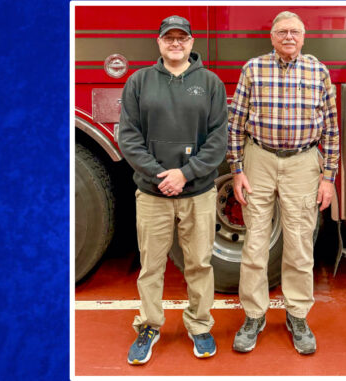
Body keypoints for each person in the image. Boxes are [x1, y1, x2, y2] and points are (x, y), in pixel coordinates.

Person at [227, 11, 339, 355]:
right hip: (258, 159)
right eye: (281, 32)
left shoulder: (319, 71)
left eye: (295, 31)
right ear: (272, 37)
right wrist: (237, 169)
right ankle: (254, 315)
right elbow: (236, 122)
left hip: (304, 163)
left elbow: (332, 128)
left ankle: (297, 314)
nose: (288, 36)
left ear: (304, 38)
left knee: (300, 244)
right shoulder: (253, 69)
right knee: (255, 243)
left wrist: (328, 177)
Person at [118, 15, 228, 364]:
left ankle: (199, 324)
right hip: (153, 194)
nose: (176, 43)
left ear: (192, 43)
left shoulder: (211, 83)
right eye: (169, 38)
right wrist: (159, 175)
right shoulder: (139, 82)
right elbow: (129, 137)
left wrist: (185, 174)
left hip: (198, 194)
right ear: (159, 42)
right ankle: (149, 325)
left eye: (182, 38)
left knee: (199, 263)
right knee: (151, 265)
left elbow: (217, 140)